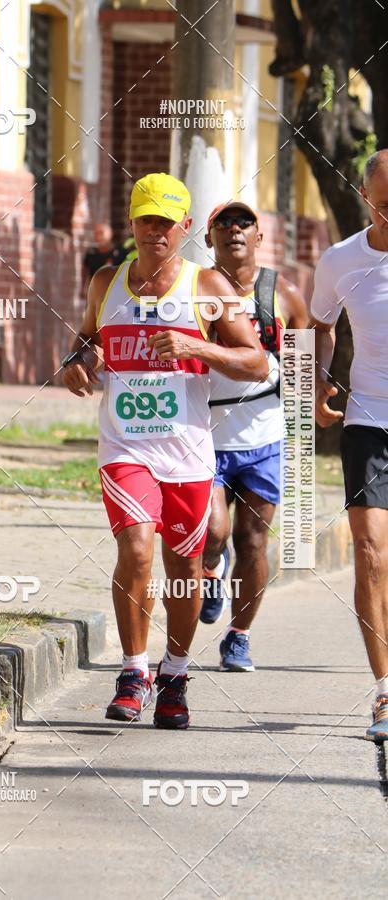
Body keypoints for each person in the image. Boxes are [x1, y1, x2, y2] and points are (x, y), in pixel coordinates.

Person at [62, 172, 267, 729]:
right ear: (132, 223)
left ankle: (174, 674)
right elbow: (84, 340)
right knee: (136, 549)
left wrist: (195, 344)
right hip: (125, 447)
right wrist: (76, 366)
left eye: (166, 221)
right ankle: (133, 670)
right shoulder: (107, 282)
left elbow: (257, 362)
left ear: (183, 227)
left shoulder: (208, 288)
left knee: (186, 568)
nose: (155, 231)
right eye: (145, 219)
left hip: (189, 454)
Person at [200, 201, 308, 672]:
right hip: (203, 432)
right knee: (212, 531)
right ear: (209, 239)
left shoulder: (282, 293)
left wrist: (309, 407)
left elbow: (306, 354)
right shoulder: (191, 289)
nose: (233, 230)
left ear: (259, 237)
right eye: (222, 223)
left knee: (253, 541)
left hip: (264, 435)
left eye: (244, 223)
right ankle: (209, 573)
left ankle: (239, 637)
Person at [311, 149, 388, 742]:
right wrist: (319, 380)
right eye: (387, 206)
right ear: (367, 198)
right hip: (367, 419)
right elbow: (322, 323)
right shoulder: (340, 260)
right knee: (370, 552)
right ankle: (385, 692)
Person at [82, 223, 128, 291]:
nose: (99, 236)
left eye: (101, 233)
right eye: (96, 233)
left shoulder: (121, 252)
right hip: (96, 292)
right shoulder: (90, 253)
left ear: (110, 233)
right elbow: (85, 271)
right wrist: (82, 288)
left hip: (117, 291)